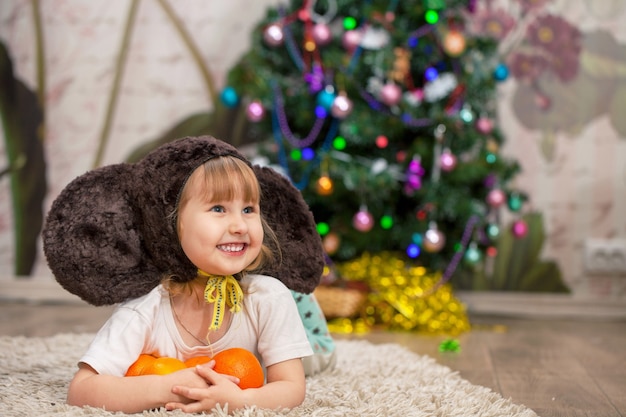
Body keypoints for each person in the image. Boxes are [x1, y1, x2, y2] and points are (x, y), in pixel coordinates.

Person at [43, 136, 335, 414]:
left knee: (316, 353)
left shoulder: (269, 297)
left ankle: (308, 315)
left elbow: (290, 387)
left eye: (248, 209)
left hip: (288, 309)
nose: (240, 225)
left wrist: (242, 400)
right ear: (170, 226)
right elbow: (81, 391)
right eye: (218, 208)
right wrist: (164, 387)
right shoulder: (145, 310)